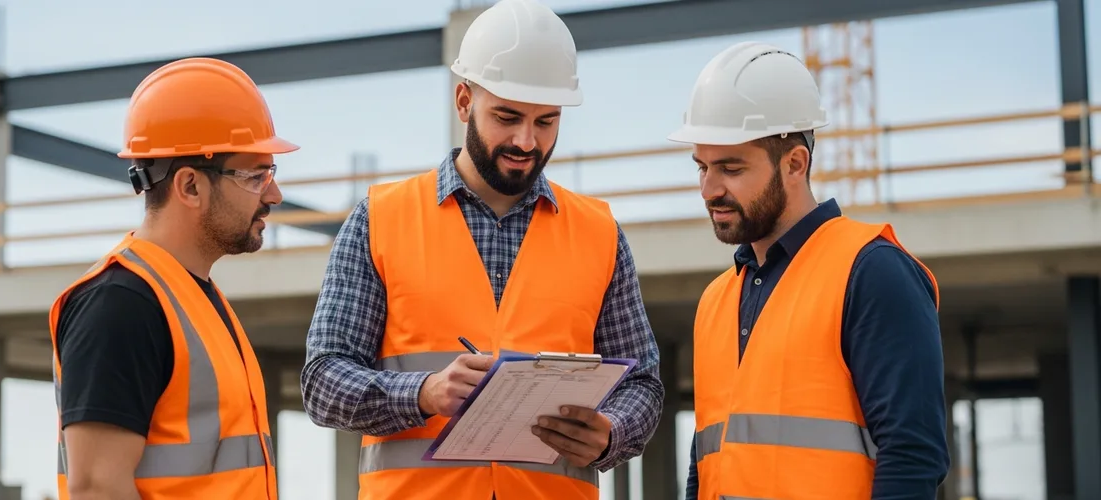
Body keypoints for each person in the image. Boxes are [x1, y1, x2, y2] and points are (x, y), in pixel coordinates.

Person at [299, 0, 664, 499]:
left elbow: (641, 383)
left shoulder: (599, 232)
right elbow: (323, 381)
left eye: (546, 122)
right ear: (464, 101)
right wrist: (422, 393)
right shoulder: (380, 219)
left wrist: (610, 432)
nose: (525, 140)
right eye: (507, 116)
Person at [668, 42, 950, 499]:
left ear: (795, 163)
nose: (708, 188)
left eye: (730, 168)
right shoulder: (715, 301)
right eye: (701, 166)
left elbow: (913, 455)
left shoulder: (872, 271)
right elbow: (705, 468)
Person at [48, 57, 296, 500]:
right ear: (190, 187)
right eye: (256, 176)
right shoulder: (120, 304)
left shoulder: (192, 297)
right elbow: (96, 489)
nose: (274, 195)